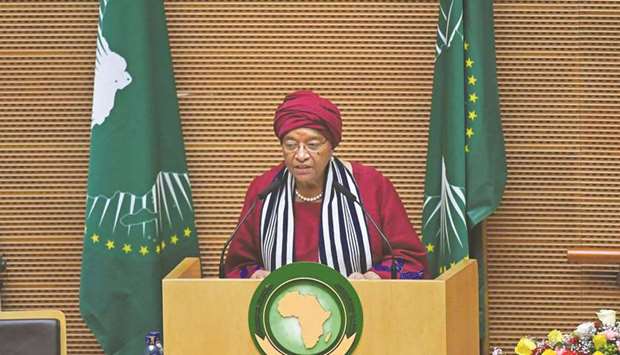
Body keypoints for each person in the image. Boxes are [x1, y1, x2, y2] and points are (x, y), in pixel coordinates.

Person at [224, 90, 428, 280]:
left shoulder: (370, 186)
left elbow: (411, 262)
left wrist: (375, 277)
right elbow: (236, 266)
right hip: (279, 314)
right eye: (290, 145)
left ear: (331, 145)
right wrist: (254, 276)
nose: (301, 155)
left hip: (364, 311)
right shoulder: (264, 190)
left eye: (313, 145)